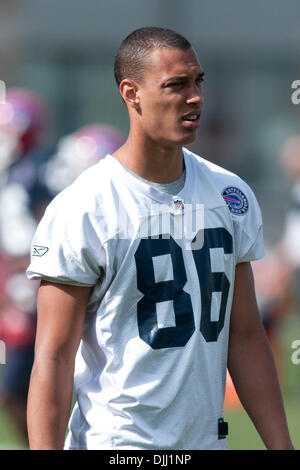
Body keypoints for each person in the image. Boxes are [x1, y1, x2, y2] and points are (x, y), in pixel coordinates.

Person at [26, 27, 293, 450]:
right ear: (131, 93)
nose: (195, 97)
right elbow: (54, 357)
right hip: (119, 447)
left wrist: (281, 445)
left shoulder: (230, 194)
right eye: (176, 85)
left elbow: (244, 335)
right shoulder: (84, 207)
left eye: (198, 82)